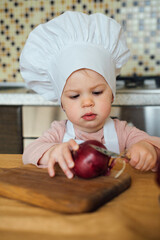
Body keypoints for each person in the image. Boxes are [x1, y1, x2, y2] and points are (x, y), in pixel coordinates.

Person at [20, 11, 160, 179]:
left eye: (97, 92)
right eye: (74, 96)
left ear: (112, 95)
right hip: (70, 197)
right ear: (62, 104)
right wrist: (52, 152)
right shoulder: (58, 132)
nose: (87, 102)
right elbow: (28, 153)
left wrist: (147, 148)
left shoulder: (122, 132)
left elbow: (155, 145)